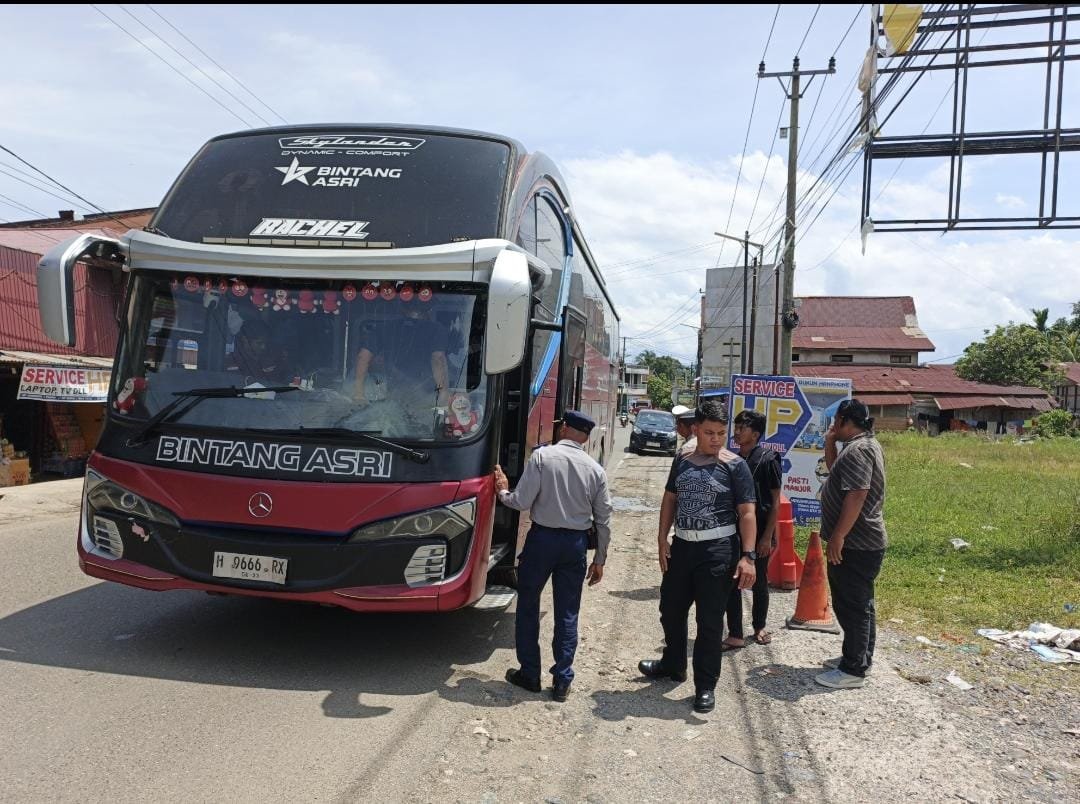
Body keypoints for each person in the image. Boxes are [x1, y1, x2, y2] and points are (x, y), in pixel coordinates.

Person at [638, 400, 757, 714]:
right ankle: (673, 664)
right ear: (696, 430)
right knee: (670, 609)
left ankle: (705, 685)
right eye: (709, 433)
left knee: (709, 620)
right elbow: (670, 498)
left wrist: (748, 556)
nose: (716, 439)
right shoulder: (682, 459)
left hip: (717, 550)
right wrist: (662, 538)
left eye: (721, 433)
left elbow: (747, 512)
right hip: (683, 547)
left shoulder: (735, 465)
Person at [494, 411, 612, 702]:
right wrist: (600, 559)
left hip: (542, 541)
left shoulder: (542, 457)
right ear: (585, 437)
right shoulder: (595, 470)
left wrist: (503, 491)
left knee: (528, 605)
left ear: (564, 429)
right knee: (567, 613)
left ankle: (530, 674)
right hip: (575, 545)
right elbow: (604, 519)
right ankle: (562, 681)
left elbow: (521, 501)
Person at [814, 398, 888, 690]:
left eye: (835, 421)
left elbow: (857, 494)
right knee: (860, 603)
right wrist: (830, 443)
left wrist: (839, 536)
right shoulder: (860, 446)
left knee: (852, 605)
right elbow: (837, 474)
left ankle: (853, 669)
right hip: (859, 541)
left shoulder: (859, 450)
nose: (832, 426)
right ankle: (859, 656)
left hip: (857, 543)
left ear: (845, 421)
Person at [723, 409, 782, 649]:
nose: (736, 432)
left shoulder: (768, 460)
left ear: (755, 434)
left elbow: (776, 501)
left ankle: (760, 626)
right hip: (735, 530)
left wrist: (767, 536)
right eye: (735, 427)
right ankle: (735, 633)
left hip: (761, 531)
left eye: (742, 428)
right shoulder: (733, 461)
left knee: (759, 580)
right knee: (732, 580)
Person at [353, 301, 450, 407]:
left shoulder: (383, 327)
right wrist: (443, 392)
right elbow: (438, 359)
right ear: (429, 310)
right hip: (423, 400)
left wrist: (359, 395)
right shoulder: (437, 330)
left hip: (391, 398)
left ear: (402, 310)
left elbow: (363, 357)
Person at [226, 318, 290, 384]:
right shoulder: (233, 363)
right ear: (245, 340)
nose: (263, 347)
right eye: (259, 343)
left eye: (265, 342)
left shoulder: (275, 358)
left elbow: (286, 379)